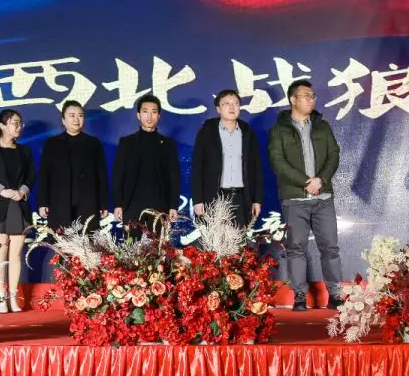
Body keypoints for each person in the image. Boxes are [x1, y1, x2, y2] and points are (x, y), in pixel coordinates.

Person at [267, 80, 343, 311]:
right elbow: (278, 162)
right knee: (296, 248)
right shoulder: (279, 130)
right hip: (295, 199)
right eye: (306, 96)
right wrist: (305, 182)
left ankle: (336, 295)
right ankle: (299, 296)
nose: (311, 99)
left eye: (313, 96)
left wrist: (321, 180)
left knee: (330, 248)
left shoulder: (322, 127)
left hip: (323, 197)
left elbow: (334, 154)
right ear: (293, 100)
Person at [0, 109, 35, 313]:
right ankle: (0, 297)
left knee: (16, 254)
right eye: (14, 123)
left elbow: (31, 176)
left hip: (18, 206)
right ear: (2, 126)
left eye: (20, 123)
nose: (19, 127)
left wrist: (22, 191)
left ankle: (13, 297)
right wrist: (1, 191)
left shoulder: (24, 151)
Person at [191, 89, 263, 228]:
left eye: (236, 103)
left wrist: (257, 200)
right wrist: (198, 200)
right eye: (226, 104)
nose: (232, 107)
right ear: (218, 109)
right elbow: (197, 167)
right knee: (215, 240)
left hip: (240, 197)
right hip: (214, 197)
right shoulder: (207, 132)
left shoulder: (248, 133)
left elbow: (256, 168)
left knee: (239, 238)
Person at [112, 94, 180, 237]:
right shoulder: (127, 143)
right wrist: (118, 204)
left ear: (159, 116)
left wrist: (173, 206)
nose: (149, 117)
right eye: (145, 111)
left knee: (160, 248)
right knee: (131, 247)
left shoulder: (168, 144)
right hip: (132, 205)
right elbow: (118, 175)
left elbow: (174, 177)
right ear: (138, 115)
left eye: (154, 112)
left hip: (160, 205)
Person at [37, 100, 109, 233]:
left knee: (88, 241)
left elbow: (101, 176)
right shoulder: (52, 143)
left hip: (88, 202)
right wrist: (43, 203)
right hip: (59, 203)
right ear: (63, 120)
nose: (76, 119)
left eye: (80, 115)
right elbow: (44, 175)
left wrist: (103, 203)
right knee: (62, 241)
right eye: (72, 115)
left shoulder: (93, 143)